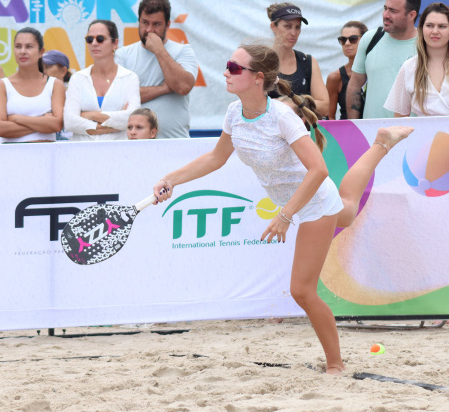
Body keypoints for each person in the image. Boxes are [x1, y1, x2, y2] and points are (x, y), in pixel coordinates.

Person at [152, 43, 413, 374]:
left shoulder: (281, 117)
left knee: (301, 290)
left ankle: (335, 366)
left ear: (258, 78)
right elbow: (216, 158)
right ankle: (382, 142)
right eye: (228, 66)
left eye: (234, 67)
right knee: (347, 207)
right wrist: (172, 179)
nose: (226, 73)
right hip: (303, 202)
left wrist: (285, 216)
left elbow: (318, 170)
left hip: (312, 202)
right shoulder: (235, 113)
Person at [115, 0, 197, 138]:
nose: (149, 30)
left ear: (168, 25)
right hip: (134, 147)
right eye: (145, 23)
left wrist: (159, 50)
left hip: (175, 143)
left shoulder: (183, 51)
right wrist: (164, 88)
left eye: (157, 24)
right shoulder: (123, 55)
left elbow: (183, 86)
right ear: (139, 22)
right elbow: (121, 97)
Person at [345, 0, 422, 119]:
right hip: (373, 135)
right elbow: (355, 84)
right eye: (385, 8)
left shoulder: (426, 45)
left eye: (393, 11)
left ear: (411, 15)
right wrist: (355, 127)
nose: (385, 15)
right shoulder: (370, 39)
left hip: (414, 134)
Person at [65, 20, 140, 141]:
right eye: (89, 39)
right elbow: (69, 122)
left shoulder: (130, 78)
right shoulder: (77, 78)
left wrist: (89, 115)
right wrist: (111, 127)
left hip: (118, 153)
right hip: (81, 154)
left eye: (100, 38)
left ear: (115, 43)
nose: (94, 43)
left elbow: (133, 119)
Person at [0, 28, 64, 143]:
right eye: (18, 46)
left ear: (41, 52)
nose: (22, 51)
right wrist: (43, 123)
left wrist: (16, 119)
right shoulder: (2, 85)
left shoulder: (55, 85)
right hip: (11, 156)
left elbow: (57, 124)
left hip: (46, 155)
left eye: (29, 46)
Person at [266, 3, 330, 117]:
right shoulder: (261, 62)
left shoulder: (308, 62)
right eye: (287, 26)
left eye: (298, 27)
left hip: (304, 133)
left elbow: (325, 108)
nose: (293, 33)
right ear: (273, 27)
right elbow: (254, 106)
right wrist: (303, 103)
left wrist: (291, 103)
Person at [326, 21, 367, 120]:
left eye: (353, 39)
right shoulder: (336, 77)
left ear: (365, 40)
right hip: (348, 132)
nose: (347, 43)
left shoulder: (376, 72)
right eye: (343, 40)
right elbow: (329, 116)